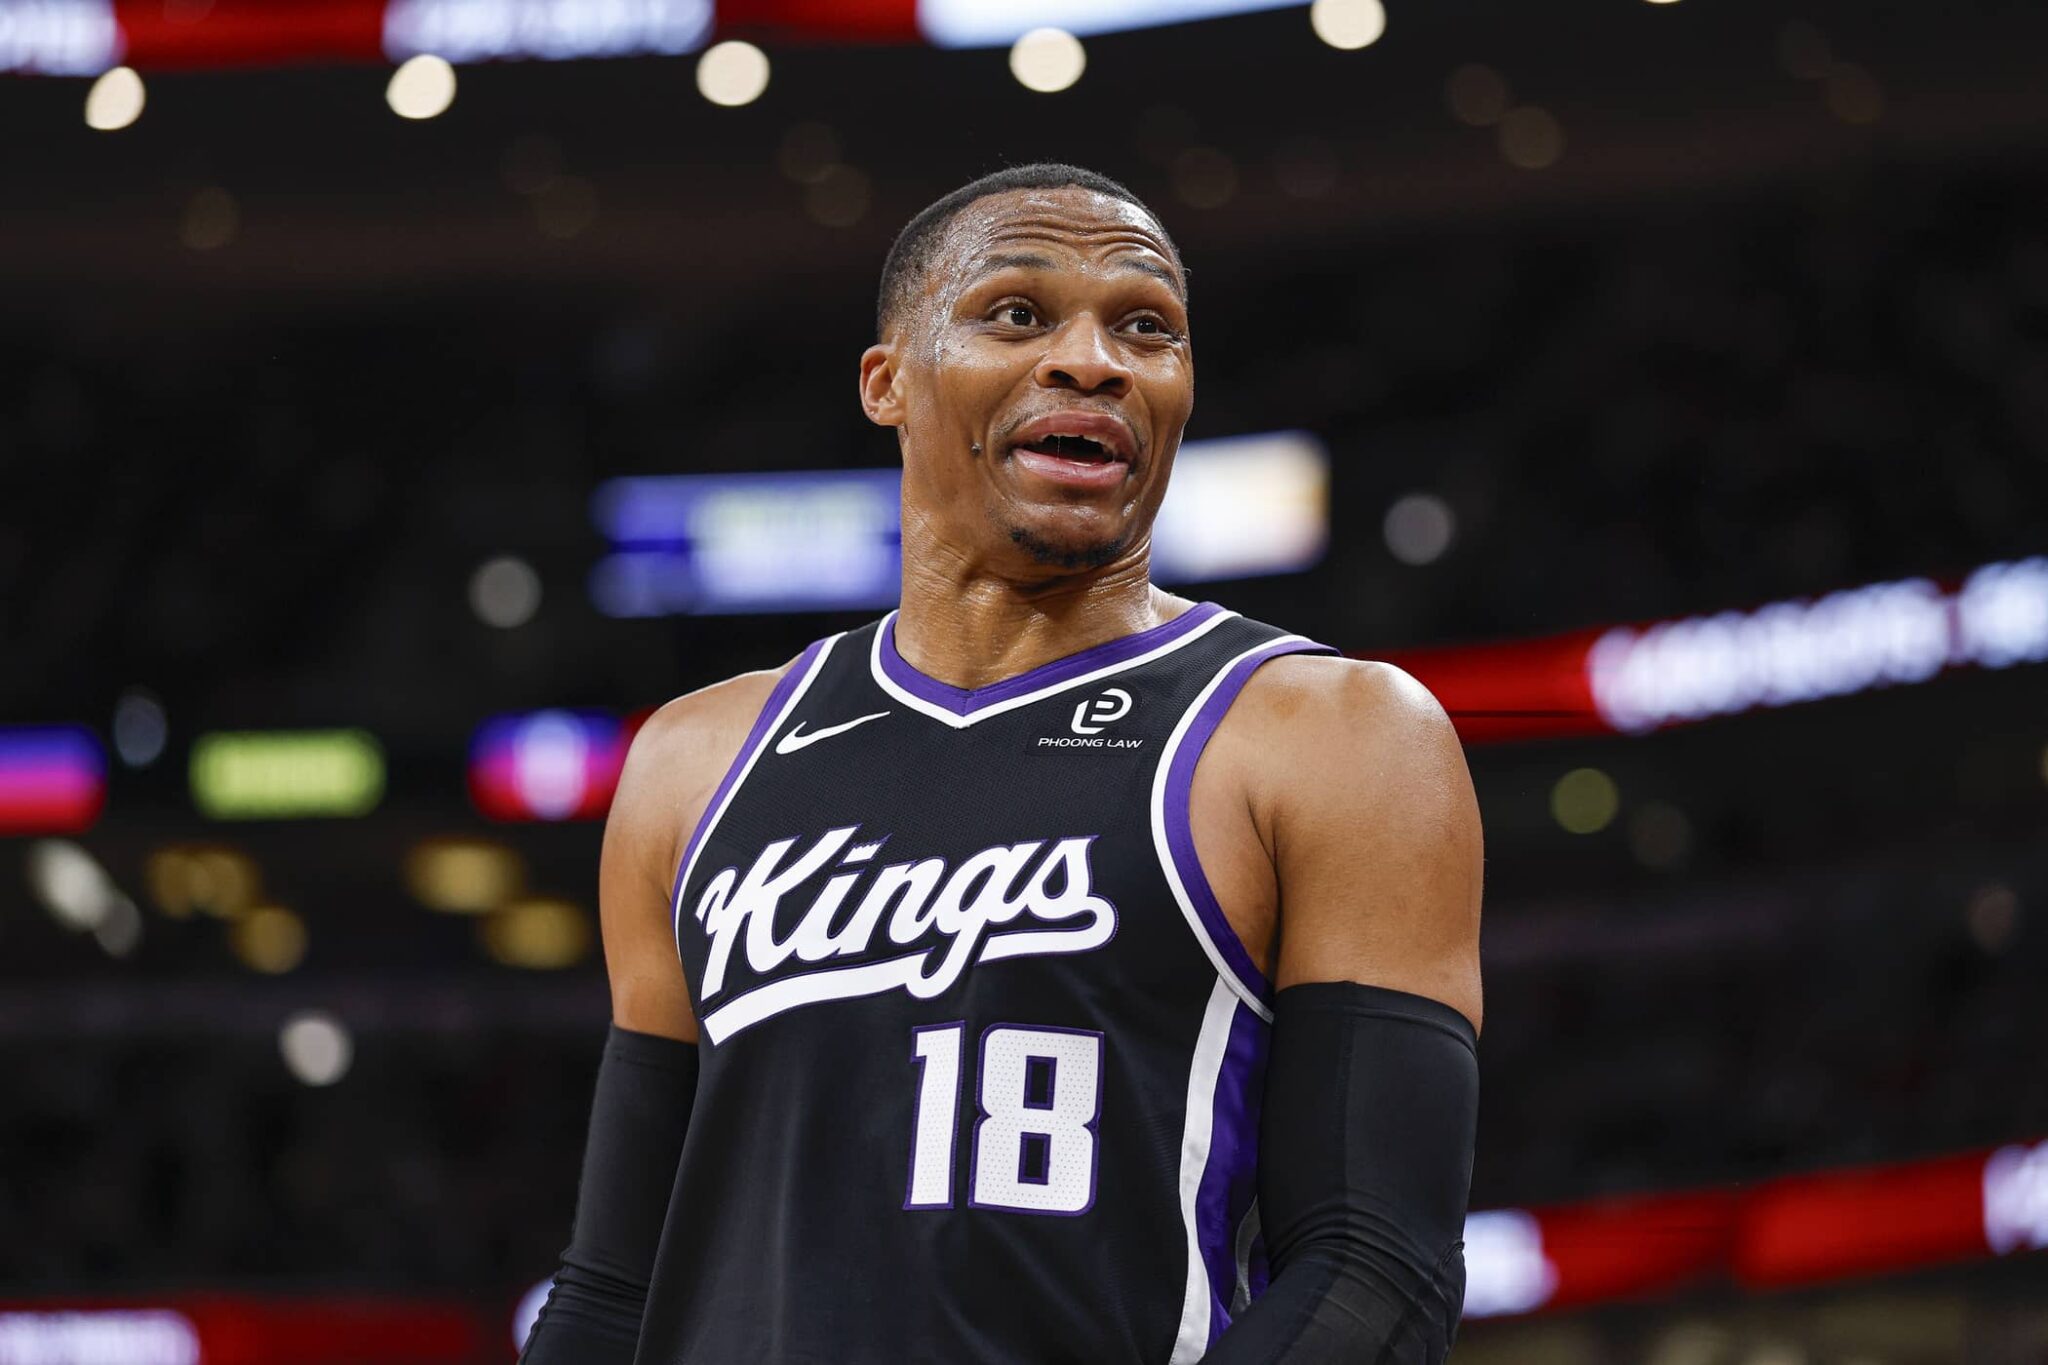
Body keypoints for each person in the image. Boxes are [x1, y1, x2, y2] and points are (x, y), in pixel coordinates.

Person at [521, 162, 1483, 1364]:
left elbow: (1375, 1268)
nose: (1094, 360)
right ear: (888, 383)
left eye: (1146, 327)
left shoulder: (1327, 731)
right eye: (1017, 314)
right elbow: (616, 1287)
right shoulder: (692, 762)